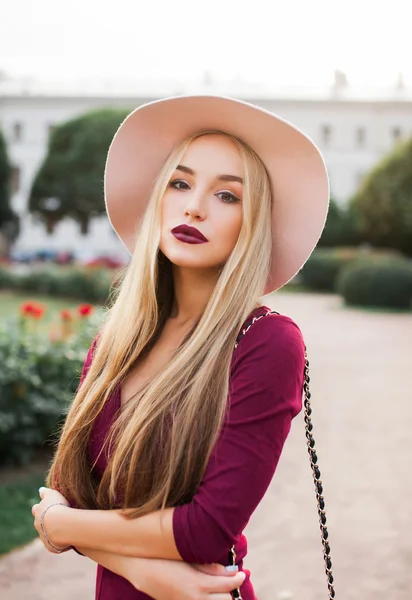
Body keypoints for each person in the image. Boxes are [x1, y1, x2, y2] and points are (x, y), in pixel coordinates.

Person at [31, 95, 329, 600]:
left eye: (228, 196)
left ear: (253, 221)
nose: (194, 206)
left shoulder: (266, 341)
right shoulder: (115, 341)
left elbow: (208, 528)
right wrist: (143, 569)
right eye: (181, 183)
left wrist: (63, 528)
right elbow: (68, 490)